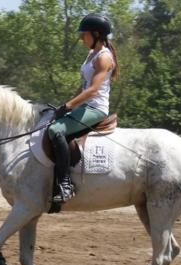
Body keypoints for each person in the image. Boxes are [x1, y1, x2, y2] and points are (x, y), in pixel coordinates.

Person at [48, 13, 119, 204]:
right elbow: (84, 85)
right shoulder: (91, 54)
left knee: (56, 130)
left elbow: (94, 89)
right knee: (50, 120)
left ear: (96, 34)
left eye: (84, 34)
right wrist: (66, 104)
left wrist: (69, 106)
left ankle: (65, 183)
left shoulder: (103, 57)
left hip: (96, 108)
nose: (81, 38)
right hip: (85, 106)